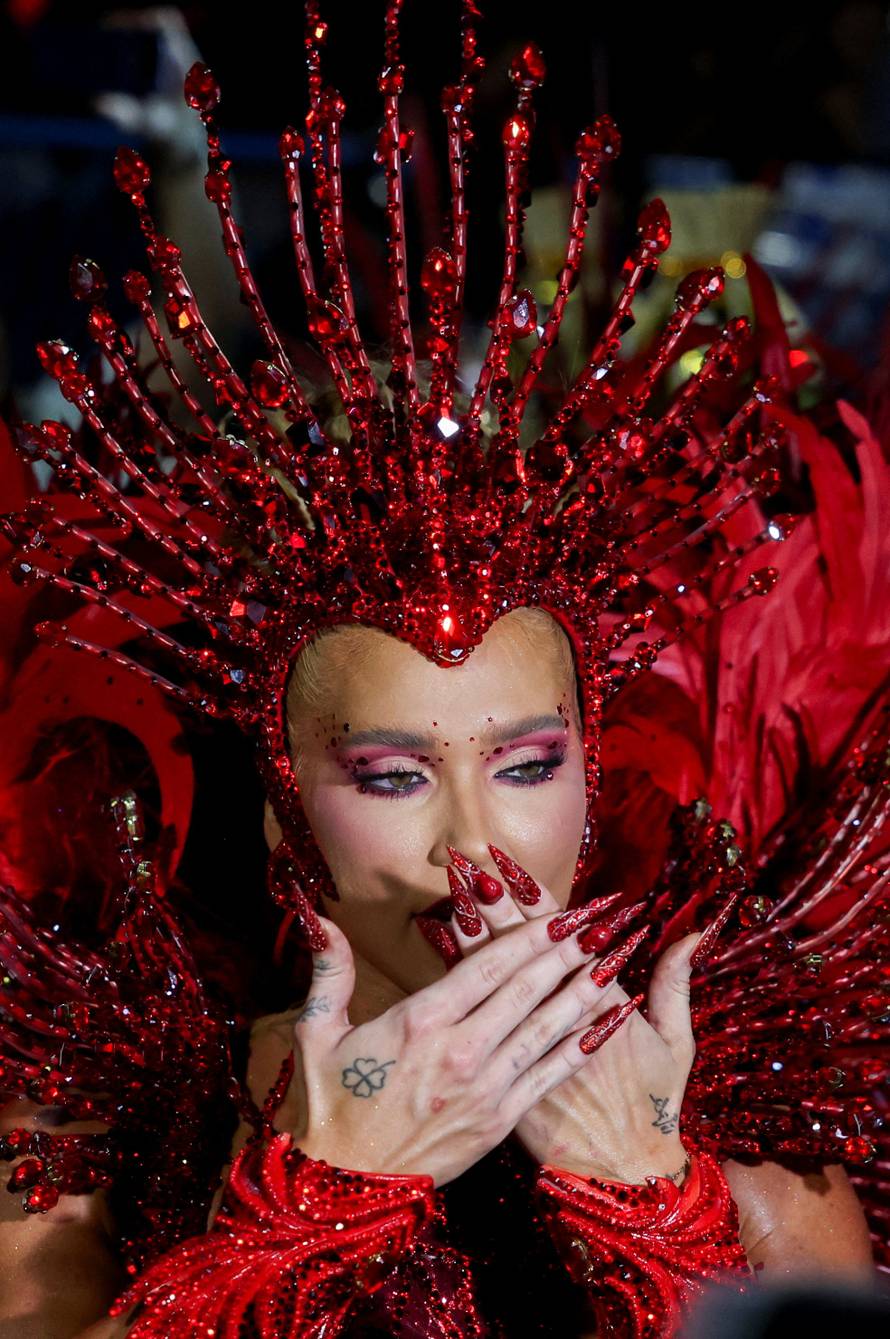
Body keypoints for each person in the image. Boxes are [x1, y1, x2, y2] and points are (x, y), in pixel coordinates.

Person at [0, 1, 887, 1335]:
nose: (480, 842)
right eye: (392, 773)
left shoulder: (725, 1106)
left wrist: (650, 1199)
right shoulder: (101, 1113)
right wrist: (317, 1203)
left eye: (527, 762)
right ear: (280, 799)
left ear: (592, 775)